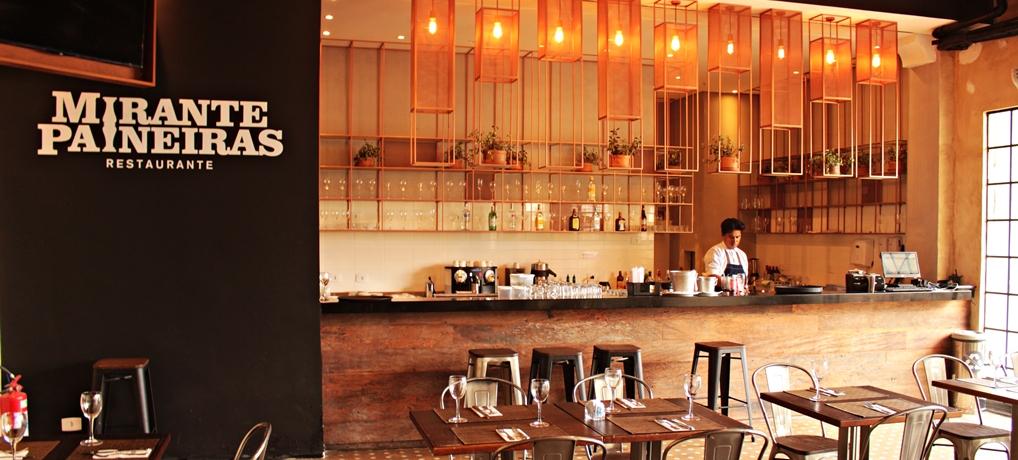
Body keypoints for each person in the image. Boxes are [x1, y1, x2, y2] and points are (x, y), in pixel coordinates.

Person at [703, 218, 749, 289]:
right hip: (720, 295)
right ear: (722, 235)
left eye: (737, 237)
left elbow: (745, 281)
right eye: (731, 237)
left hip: (739, 295)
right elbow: (712, 277)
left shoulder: (742, 255)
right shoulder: (715, 252)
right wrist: (733, 284)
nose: (734, 241)